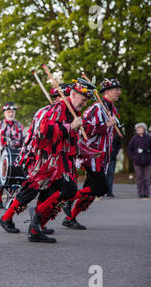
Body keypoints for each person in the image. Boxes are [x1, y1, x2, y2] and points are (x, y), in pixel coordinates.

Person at [21, 78, 96, 243]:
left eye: (86, 101)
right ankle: (35, 216)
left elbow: (71, 139)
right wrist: (70, 127)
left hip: (62, 160)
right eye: (82, 99)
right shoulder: (58, 108)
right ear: (74, 94)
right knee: (68, 190)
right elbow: (43, 130)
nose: (84, 103)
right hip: (48, 159)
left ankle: (35, 227)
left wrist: (88, 153)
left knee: (62, 191)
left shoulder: (74, 111)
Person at [62, 77, 121, 230]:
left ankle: (70, 218)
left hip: (103, 157)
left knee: (91, 192)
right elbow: (84, 129)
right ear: (106, 92)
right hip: (92, 156)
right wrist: (107, 124)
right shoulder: (96, 108)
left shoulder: (112, 110)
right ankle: (66, 199)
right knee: (101, 188)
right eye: (116, 90)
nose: (119, 92)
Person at [0, 102, 24, 208]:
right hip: (1, 154)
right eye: (9, 112)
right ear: (5, 113)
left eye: (12, 112)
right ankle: (0, 199)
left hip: (15, 154)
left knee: (15, 176)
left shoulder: (19, 125)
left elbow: (23, 140)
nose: (11, 114)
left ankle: (12, 198)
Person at [128, 123, 151, 198]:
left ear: (144, 129)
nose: (138, 129)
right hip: (137, 162)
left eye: (140, 128)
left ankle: (146, 193)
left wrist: (150, 156)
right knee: (139, 178)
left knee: (146, 178)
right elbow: (129, 149)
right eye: (137, 128)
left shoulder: (149, 138)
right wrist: (134, 157)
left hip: (147, 162)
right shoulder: (134, 138)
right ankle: (140, 192)